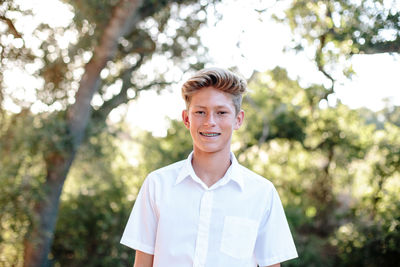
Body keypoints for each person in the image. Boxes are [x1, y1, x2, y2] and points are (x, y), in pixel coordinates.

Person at [120, 68, 298, 267]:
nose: (209, 122)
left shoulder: (262, 193)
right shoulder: (157, 185)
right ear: (187, 119)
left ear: (238, 119)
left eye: (221, 113)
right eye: (200, 112)